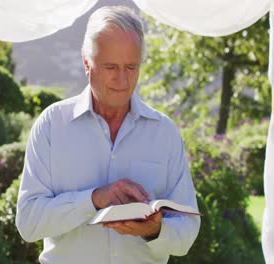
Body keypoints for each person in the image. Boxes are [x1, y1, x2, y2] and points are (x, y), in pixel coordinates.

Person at [16, 6, 200, 264]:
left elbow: (187, 231)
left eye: (131, 67)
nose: (122, 80)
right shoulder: (51, 126)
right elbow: (28, 223)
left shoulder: (164, 133)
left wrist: (155, 231)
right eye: (111, 67)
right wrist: (94, 199)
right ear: (86, 63)